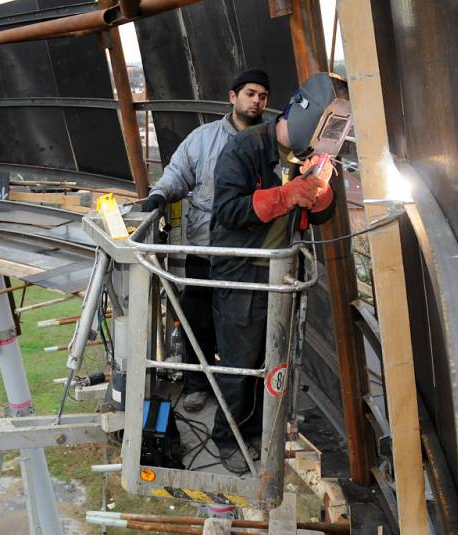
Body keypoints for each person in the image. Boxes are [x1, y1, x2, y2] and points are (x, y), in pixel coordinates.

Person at [208, 74, 339, 474]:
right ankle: (228, 438)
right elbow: (228, 211)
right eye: (323, 129)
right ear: (303, 115)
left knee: (274, 361)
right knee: (240, 365)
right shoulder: (245, 148)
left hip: (282, 277)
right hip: (243, 276)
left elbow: (321, 214)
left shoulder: (308, 158)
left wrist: (321, 197)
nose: (323, 141)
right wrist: (285, 196)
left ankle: (261, 432)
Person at [142, 68, 272, 413]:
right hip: (206, 247)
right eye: (250, 93)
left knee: (241, 325)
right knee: (198, 318)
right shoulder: (203, 138)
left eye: (262, 95)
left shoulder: (268, 142)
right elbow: (179, 172)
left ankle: (240, 394)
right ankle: (198, 383)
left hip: (247, 253)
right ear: (233, 97)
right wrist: (159, 195)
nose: (256, 100)